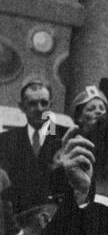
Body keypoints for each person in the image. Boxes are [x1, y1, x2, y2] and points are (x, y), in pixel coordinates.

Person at [0, 81, 68, 218]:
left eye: (44, 103)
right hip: (18, 219)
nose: (39, 108)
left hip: (58, 218)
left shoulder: (65, 136)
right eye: (32, 103)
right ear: (22, 106)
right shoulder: (6, 140)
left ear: (50, 105)